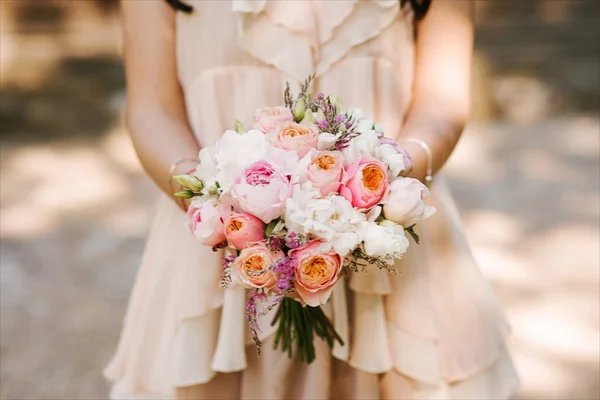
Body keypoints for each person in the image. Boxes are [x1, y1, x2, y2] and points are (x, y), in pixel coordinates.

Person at [105, 1, 519, 398]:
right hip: (215, 253)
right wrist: (218, 198)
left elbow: (441, 103)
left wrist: (375, 189)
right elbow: (151, 109)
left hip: (389, 252)